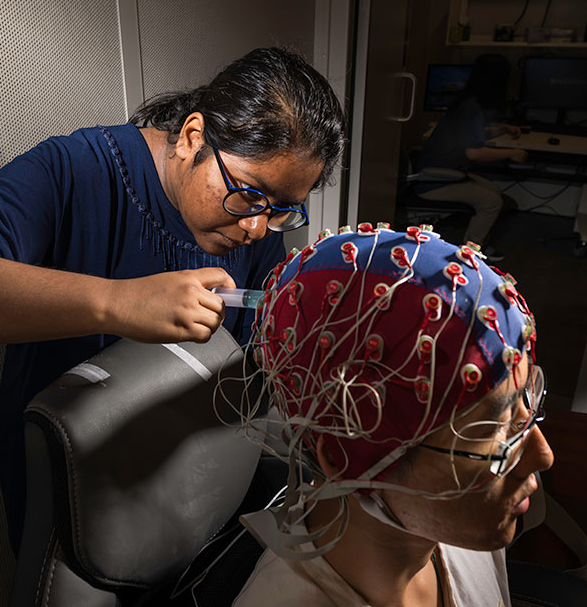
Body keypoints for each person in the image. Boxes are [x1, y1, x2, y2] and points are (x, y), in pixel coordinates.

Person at [0, 47, 347, 552]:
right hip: (76, 489)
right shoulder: (79, 170)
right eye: (249, 194)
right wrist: (116, 303)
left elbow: (261, 351)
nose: (255, 227)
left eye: (283, 211)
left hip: (190, 478)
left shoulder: (253, 217)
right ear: (192, 137)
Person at [226, 223, 553, 606]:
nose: (543, 455)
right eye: (494, 430)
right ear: (343, 457)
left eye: (525, 405)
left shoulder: (456, 526)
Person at [416, 54, 524, 261]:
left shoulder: (467, 103)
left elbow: (473, 136)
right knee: (492, 201)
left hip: (452, 173)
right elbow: (474, 152)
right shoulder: (471, 108)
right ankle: (470, 254)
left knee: (493, 192)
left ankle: (479, 242)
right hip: (436, 179)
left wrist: (502, 129)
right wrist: (513, 153)